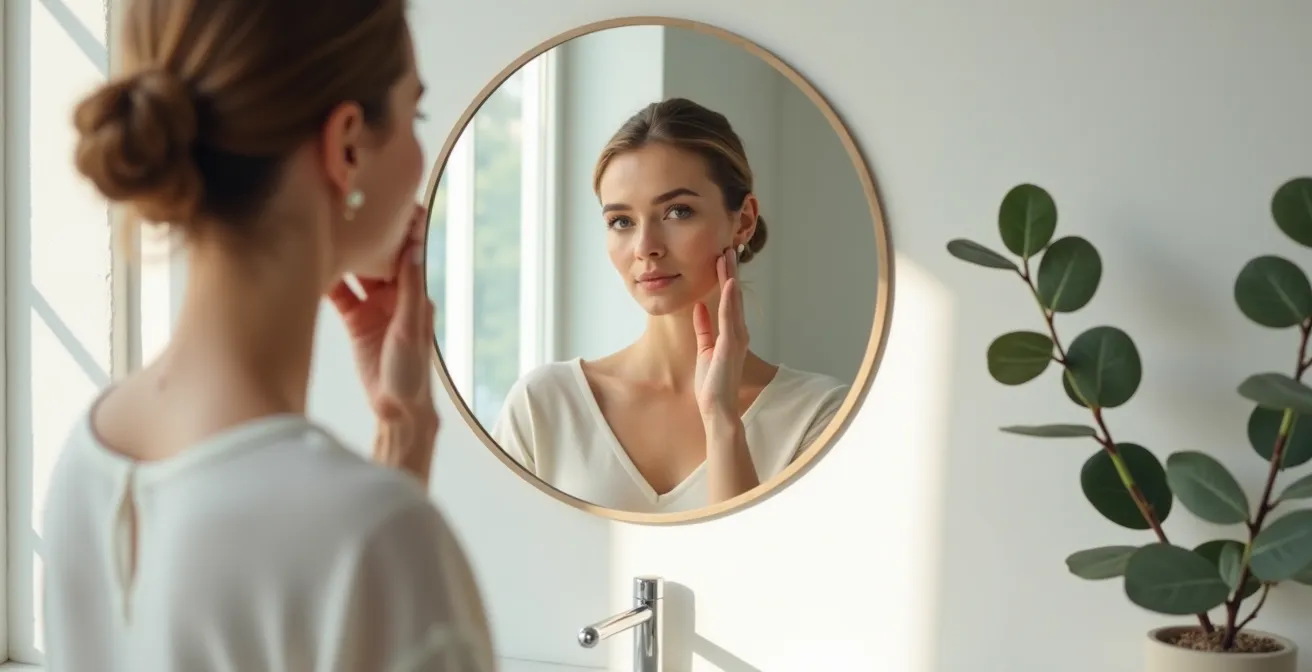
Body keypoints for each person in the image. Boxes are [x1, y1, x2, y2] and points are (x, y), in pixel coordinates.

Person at [39, 1, 495, 670]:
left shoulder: (89, 457)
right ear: (346, 145)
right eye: (414, 114)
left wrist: (406, 431)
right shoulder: (376, 538)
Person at [491, 98, 848, 514]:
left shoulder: (818, 416)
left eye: (678, 212)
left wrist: (722, 420)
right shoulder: (545, 405)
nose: (645, 248)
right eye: (621, 221)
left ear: (743, 221)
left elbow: (763, 574)